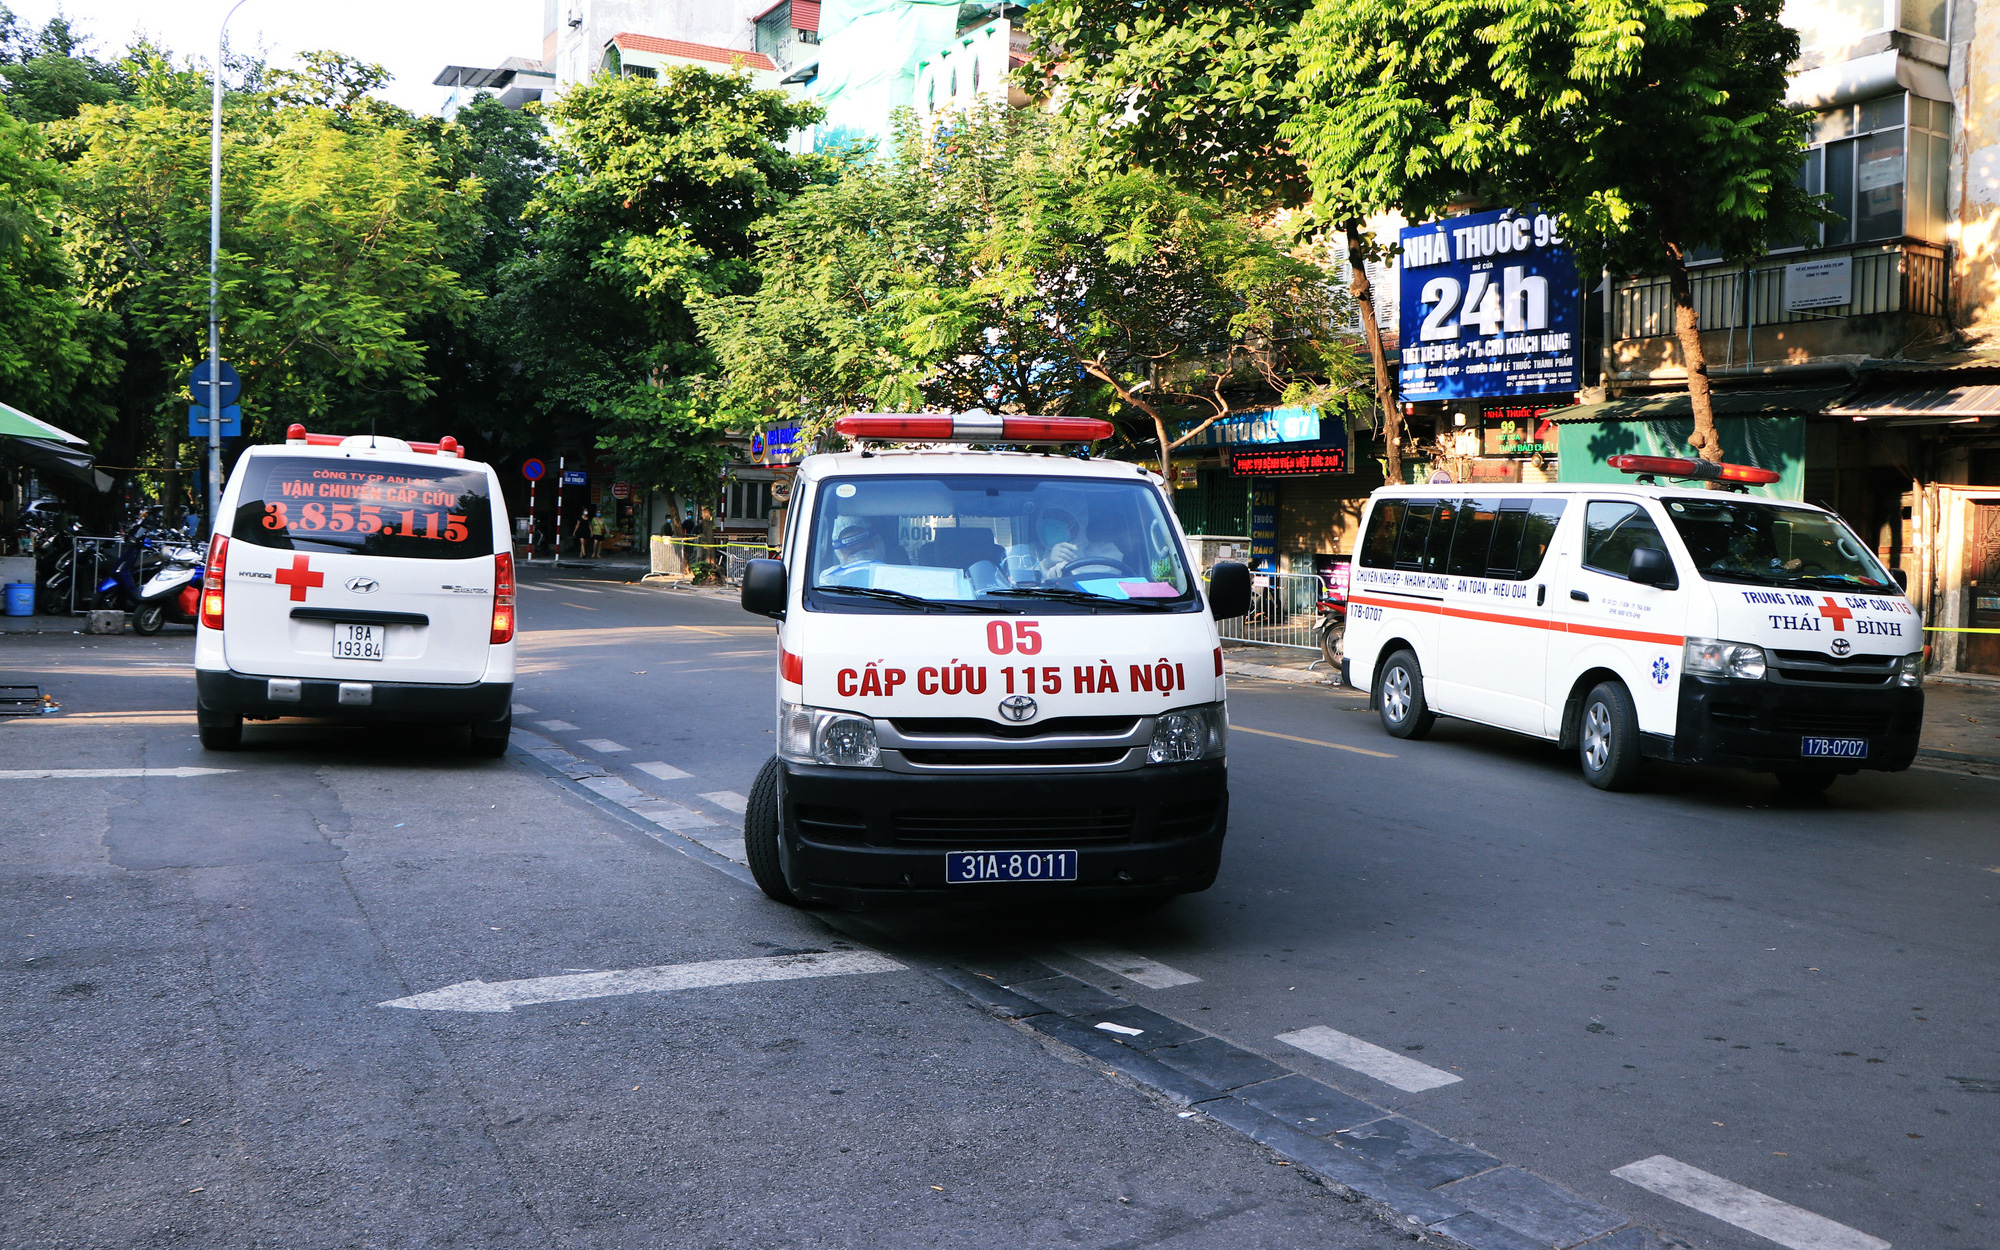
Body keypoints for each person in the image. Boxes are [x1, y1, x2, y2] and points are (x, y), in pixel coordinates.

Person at [821, 517, 887, 584]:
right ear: (840, 553)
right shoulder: (829, 580)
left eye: (864, 547)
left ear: (875, 543)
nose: (859, 555)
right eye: (851, 551)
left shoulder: (891, 574)